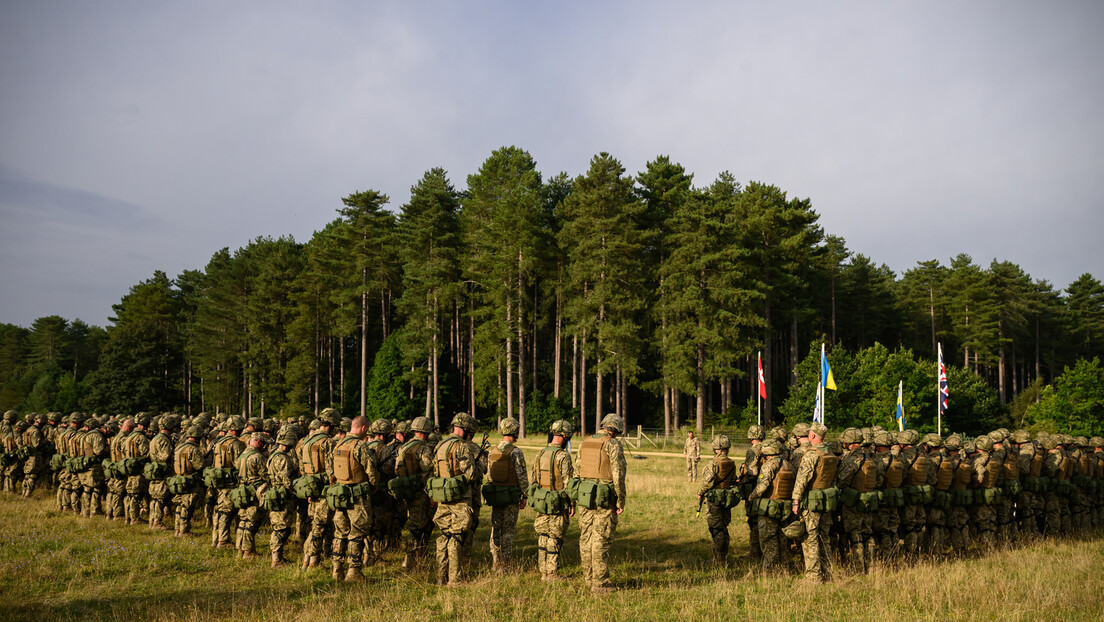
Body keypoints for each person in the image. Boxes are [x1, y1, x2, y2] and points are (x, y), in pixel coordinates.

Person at [574, 413, 627, 594]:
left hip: (585, 496)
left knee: (586, 537)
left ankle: (589, 578)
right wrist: (620, 500)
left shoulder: (585, 442)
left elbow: (577, 469)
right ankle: (601, 583)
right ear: (616, 430)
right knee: (600, 539)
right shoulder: (612, 444)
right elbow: (618, 474)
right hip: (604, 498)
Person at [430, 412, 481, 588]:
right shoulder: (462, 447)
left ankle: (440, 577)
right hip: (459, 498)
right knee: (456, 537)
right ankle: (455, 579)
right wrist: (480, 466)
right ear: (466, 429)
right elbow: (471, 473)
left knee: (444, 536)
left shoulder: (440, 445)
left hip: (442, 496)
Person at [328, 416, 380, 582]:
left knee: (340, 532)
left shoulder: (338, 443)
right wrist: (373, 485)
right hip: (357, 496)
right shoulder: (359, 445)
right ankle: (354, 571)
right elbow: (371, 469)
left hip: (339, 495)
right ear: (364, 428)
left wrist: (335, 484)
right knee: (357, 533)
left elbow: (330, 470)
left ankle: (337, 569)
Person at [791, 422, 837, 583]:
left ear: (811, 435)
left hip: (812, 501)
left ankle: (813, 576)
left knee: (810, 538)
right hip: (826, 499)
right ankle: (827, 573)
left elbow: (802, 478)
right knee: (824, 537)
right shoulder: (830, 452)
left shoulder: (812, 454)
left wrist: (796, 499)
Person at [530, 419, 574, 581]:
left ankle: (543, 571)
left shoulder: (540, 453)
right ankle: (552, 572)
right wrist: (571, 503)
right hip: (558, 501)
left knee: (543, 534)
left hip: (542, 499)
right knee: (555, 536)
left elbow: (534, 479)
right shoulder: (563, 456)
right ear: (564, 436)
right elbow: (569, 483)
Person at [485, 417, 528, 573]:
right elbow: (521, 476)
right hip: (510, 497)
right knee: (508, 530)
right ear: (515, 431)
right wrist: (525, 495)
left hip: (496, 495)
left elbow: (489, 475)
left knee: (496, 528)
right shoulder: (515, 452)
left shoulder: (493, 450)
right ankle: (505, 565)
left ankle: (495, 563)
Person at [394, 416, 435, 570]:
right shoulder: (423, 449)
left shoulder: (403, 447)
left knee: (416, 523)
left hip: (406, 490)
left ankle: (418, 555)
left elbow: (396, 469)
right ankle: (409, 560)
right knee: (417, 526)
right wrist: (432, 495)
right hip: (419, 492)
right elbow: (428, 473)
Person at [747, 438, 794, 573]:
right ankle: (783, 568)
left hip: (769, 507)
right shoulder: (788, 465)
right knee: (782, 539)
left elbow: (763, 485)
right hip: (785, 506)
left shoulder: (768, 465)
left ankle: (771, 571)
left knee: (768, 539)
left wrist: (752, 495)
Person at [297, 410, 336, 569]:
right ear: (332, 425)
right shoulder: (327, 442)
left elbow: (301, 467)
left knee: (316, 524)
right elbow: (331, 470)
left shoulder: (307, 441)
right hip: (324, 489)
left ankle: (311, 560)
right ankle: (310, 562)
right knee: (319, 527)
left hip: (310, 487)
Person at [697, 434, 737, 565]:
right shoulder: (731, 463)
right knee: (724, 527)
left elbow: (708, 482)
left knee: (716, 528)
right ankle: (723, 555)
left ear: (716, 448)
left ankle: (718, 559)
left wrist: (700, 492)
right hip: (727, 498)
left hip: (715, 499)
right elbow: (733, 480)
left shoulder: (713, 463)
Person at [208, 416, 246, 548]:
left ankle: (216, 538)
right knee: (226, 511)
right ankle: (223, 540)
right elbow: (238, 463)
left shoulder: (219, 441)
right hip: (229, 482)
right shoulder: (234, 443)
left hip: (219, 480)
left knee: (219, 510)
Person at [266, 428, 299, 566]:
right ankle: (276, 559)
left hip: (274, 492)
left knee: (278, 525)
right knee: (281, 527)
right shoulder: (283, 459)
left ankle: (277, 557)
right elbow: (287, 481)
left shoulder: (273, 455)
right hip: (282, 495)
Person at [234, 432, 270, 560]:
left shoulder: (242, 455)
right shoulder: (257, 457)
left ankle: (240, 548)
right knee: (251, 522)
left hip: (242, 491)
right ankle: (248, 551)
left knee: (243, 521)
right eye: (264, 444)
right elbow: (266, 474)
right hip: (254, 491)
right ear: (259, 442)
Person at [171, 425, 207, 537]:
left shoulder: (179, 447)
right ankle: (184, 530)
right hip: (189, 480)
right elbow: (199, 465)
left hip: (178, 479)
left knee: (179, 505)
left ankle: (177, 529)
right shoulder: (193, 449)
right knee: (187, 506)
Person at [740, 425, 766, 560]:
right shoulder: (769, 447)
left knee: (754, 520)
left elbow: (752, 472)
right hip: (768, 487)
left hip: (754, 488)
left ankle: (755, 552)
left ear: (751, 436)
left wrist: (742, 478)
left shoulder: (752, 451)